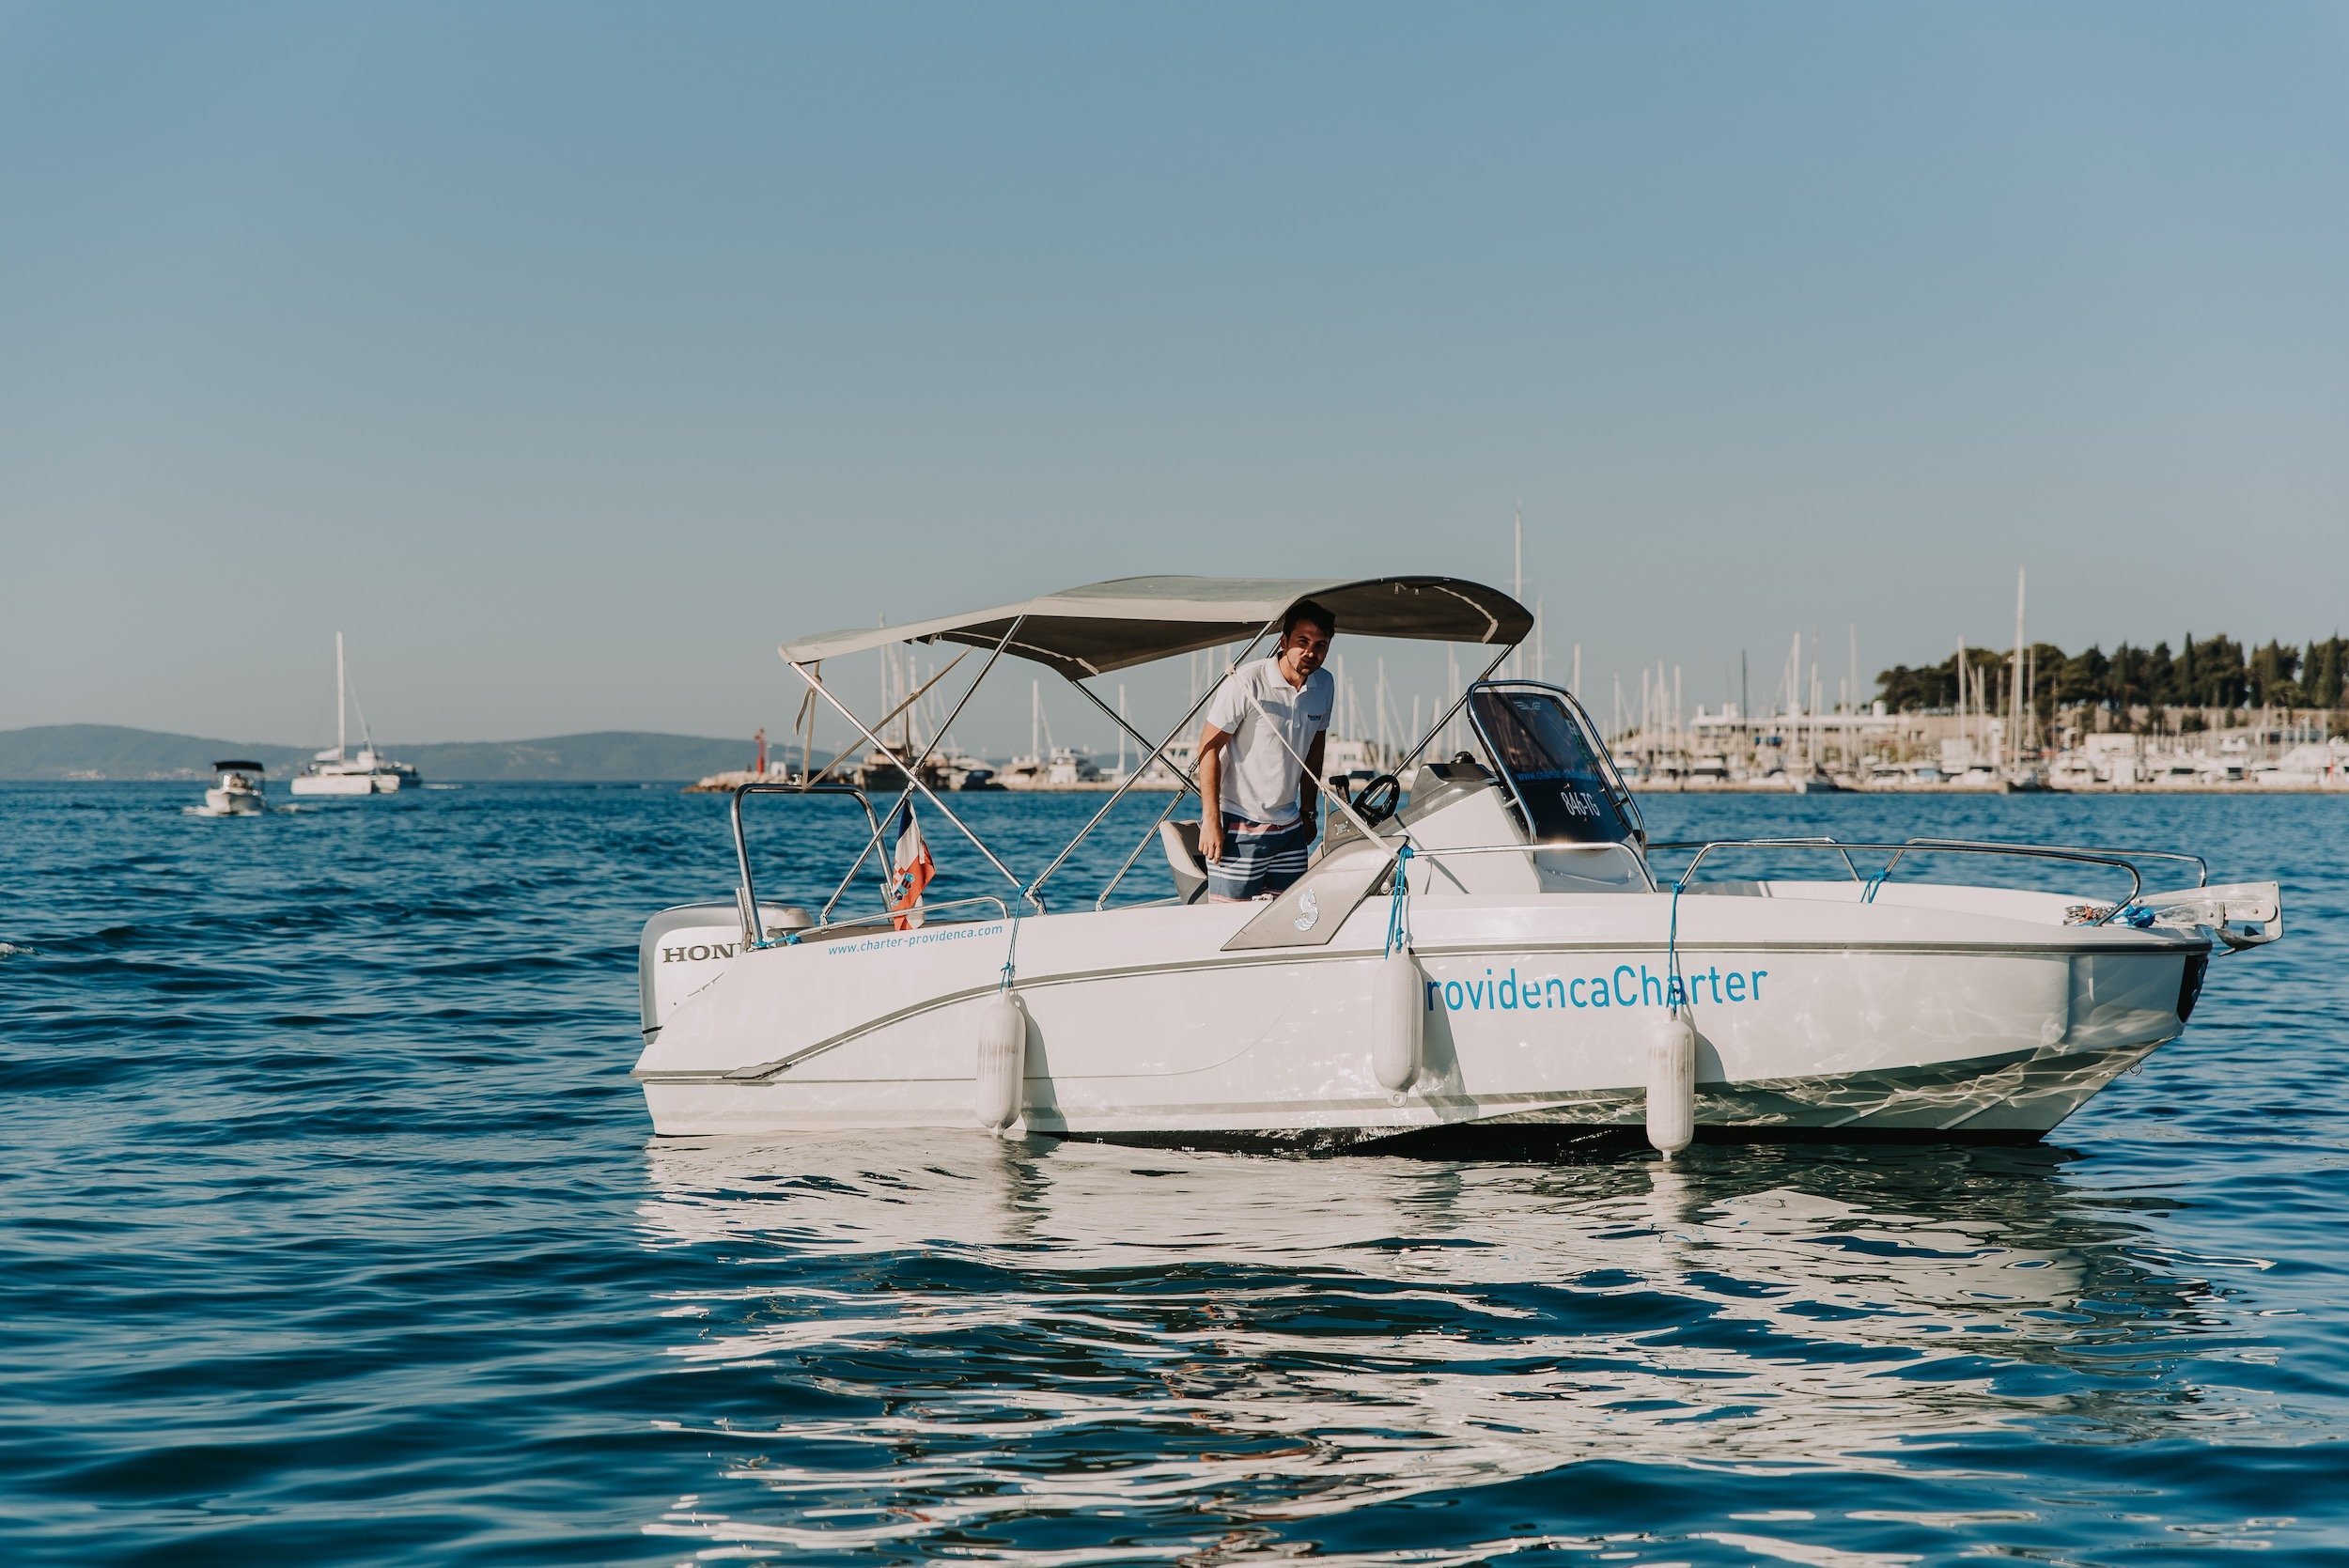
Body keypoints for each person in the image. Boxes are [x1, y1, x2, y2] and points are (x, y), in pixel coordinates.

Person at [1195, 599, 1336, 901]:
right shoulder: (1247, 682)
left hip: (1290, 828)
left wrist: (1309, 812)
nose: (1311, 652)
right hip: (1239, 824)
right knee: (1228, 926)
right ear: (1284, 642)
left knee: (1289, 921)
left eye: (1320, 645)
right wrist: (1210, 821)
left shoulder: (1325, 684)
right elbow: (1208, 749)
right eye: (1303, 641)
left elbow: (1314, 749)